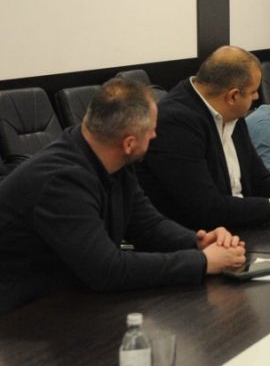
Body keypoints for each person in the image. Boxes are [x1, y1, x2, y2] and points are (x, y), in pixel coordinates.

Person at [0, 78, 246, 314]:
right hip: (20, 316)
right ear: (129, 143)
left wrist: (197, 242)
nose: (154, 136)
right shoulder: (61, 182)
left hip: (67, 299)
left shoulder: (112, 158)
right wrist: (202, 263)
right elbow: (106, 270)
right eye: (151, 130)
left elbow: (147, 226)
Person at [137, 46, 270, 230]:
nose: (257, 96)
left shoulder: (231, 112)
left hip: (242, 226)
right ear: (232, 96)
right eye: (253, 92)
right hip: (201, 236)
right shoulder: (175, 124)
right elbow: (206, 208)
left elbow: (258, 177)